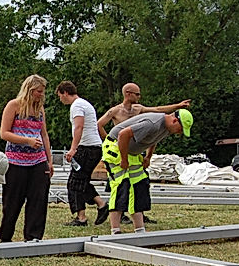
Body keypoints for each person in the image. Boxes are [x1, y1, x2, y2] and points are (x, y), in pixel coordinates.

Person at [97, 84, 190, 224]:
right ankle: (117, 219)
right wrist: (109, 142)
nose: (140, 97)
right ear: (128, 94)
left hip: (133, 148)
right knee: (121, 184)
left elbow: (158, 111)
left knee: (140, 183)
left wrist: (178, 106)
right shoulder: (115, 111)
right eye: (137, 94)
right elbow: (101, 125)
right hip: (119, 146)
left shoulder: (139, 109)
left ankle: (138, 219)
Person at [0, 75, 53, 241]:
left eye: (42, 92)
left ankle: (33, 236)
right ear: (30, 90)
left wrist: (49, 161)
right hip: (15, 161)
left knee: (38, 199)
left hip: (38, 160)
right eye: (38, 92)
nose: (41, 95)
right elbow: (4, 133)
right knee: (12, 201)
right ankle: (5, 236)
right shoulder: (14, 106)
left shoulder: (40, 110)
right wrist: (27, 141)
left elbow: (44, 135)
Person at [55, 81, 110, 227]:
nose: (61, 99)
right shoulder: (84, 103)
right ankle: (101, 205)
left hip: (87, 148)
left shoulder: (77, 105)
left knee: (75, 183)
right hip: (94, 147)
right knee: (81, 181)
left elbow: (79, 127)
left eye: (60, 96)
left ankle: (82, 217)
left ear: (65, 92)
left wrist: (73, 149)